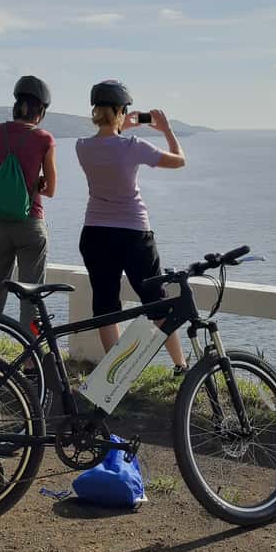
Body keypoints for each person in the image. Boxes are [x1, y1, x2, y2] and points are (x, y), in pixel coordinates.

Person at [75, 80, 188, 370]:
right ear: (121, 110)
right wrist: (166, 130)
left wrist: (122, 125)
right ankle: (180, 365)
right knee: (156, 302)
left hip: (95, 233)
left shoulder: (82, 147)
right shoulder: (133, 146)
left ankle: (115, 375)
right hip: (134, 234)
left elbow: (108, 142)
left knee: (105, 305)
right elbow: (179, 161)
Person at [0, 75, 57, 329]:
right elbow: (51, 190)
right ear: (41, 110)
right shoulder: (44, 139)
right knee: (31, 300)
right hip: (30, 222)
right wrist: (40, 182)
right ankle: (30, 363)